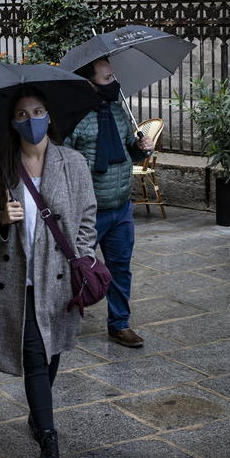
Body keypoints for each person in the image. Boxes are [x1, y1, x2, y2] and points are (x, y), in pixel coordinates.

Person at [0, 86, 97, 458]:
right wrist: (1, 219)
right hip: (17, 279)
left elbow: (88, 214)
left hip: (59, 276)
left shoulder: (72, 162)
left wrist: (83, 255)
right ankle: (48, 437)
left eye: (38, 111)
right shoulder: (0, 167)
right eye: (23, 114)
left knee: (51, 350)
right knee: (33, 355)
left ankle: (37, 414)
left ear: (49, 116)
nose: (32, 120)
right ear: (13, 123)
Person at [64, 57, 154, 348]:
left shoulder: (119, 110)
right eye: (107, 79)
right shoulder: (73, 117)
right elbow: (62, 163)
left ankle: (119, 324)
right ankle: (65, 318)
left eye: (113, 76)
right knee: (76, 268)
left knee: (120, 268)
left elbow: (129, 151)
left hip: (121, 206)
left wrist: (141, 148)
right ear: (89, 83)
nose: (114, 83)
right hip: (88, 211)